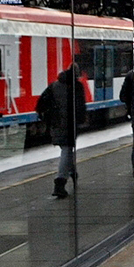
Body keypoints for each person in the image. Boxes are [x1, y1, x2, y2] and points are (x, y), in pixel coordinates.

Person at [36, 63, 87, 198]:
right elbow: (81, 108)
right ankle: (60, 182)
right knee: (67, 149)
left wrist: (50, 118)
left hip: (56, 124)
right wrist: (81, 121)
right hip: (69, 125)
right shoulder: (77, 87)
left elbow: (40, 104)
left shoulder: (54, 85)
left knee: (66, 150)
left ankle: (72, 173)